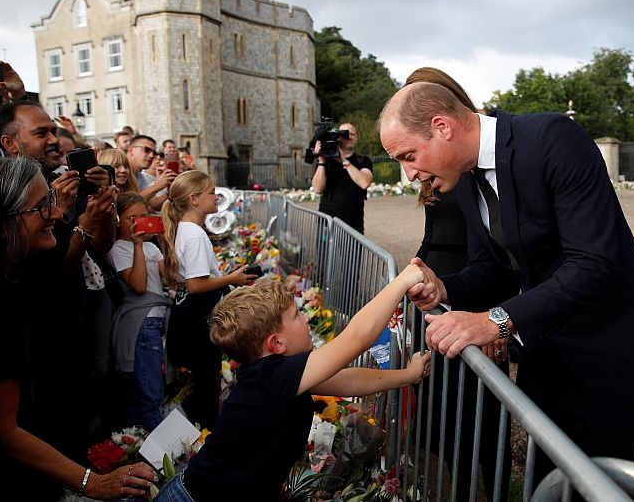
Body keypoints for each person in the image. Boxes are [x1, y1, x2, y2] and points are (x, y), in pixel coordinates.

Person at [378, 82, 634, 491]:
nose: (409, 174)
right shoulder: (466, 182)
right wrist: (443, 288)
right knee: (547, 482)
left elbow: (593, 263)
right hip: (548, 349)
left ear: (442, 126)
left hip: (609, 347)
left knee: (599, 486)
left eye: (408, 156)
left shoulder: (552, 138)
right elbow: (493, 269)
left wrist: (497, 321)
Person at [0, 157, 157, 500]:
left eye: (52, 200)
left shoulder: (15, 268)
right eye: (41, 207)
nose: (58, 214)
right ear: (2, 225)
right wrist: (93, 482)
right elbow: (3, 430)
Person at [156, 269, 431, 501]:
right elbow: (356, 339)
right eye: (297, 316)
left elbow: (346, 379)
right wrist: (402, 280)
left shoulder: (274, 375)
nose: (306, 320)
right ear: (276, 343)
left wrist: (408, 375)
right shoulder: (270, 377)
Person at [405, 66, 514, 499]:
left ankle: (495, 484)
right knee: (443, 399)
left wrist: (498, 317)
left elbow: (496, 254)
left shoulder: (471, 159)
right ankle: (457, 479)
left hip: (478, 287)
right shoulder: (427, 164)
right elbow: (433, 231)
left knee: (483, 404)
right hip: (442, 282)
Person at [159, 170, 258, 428]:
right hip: (197, 321)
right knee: (206, 386)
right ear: (194, 199)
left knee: (204, 384)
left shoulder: (187, 229)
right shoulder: (194, 234)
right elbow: (195, 284)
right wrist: (232, 279)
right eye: (211, 192)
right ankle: (207, 436)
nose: (216, 197)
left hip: (189, 318)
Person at [108, 192, 172, 430]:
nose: (138, 223)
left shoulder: (151, 247)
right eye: (131, 218)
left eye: (144, 217)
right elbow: (138, 285)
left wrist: (165, 241)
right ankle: (159, 457)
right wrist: (137, 245)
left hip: (154, 323)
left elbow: (173, 277)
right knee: (149, 394)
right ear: (118, 220)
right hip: (141, 324)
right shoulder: (119, 248)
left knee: (144, 391)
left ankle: (134, 446)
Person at [311, 122, 373, 233]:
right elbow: (317, 188)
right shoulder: (327, 160)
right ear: (338, 138)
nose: (349, 137)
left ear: (356, 137)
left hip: (353, 226)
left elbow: (364, 182)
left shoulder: (363, 161)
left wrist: (344, 161)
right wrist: (321, 161)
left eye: (352, 134)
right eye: (344, 134)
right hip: (327, 225)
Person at [128, 135, 176, 211]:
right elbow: (126, 204)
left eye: (153, 152)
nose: (151, 155)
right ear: (131, 151)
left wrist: (170, 190)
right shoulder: (121, 173)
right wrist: (157, 185)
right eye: (146, 150)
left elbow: (153, 204)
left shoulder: (140, 177)